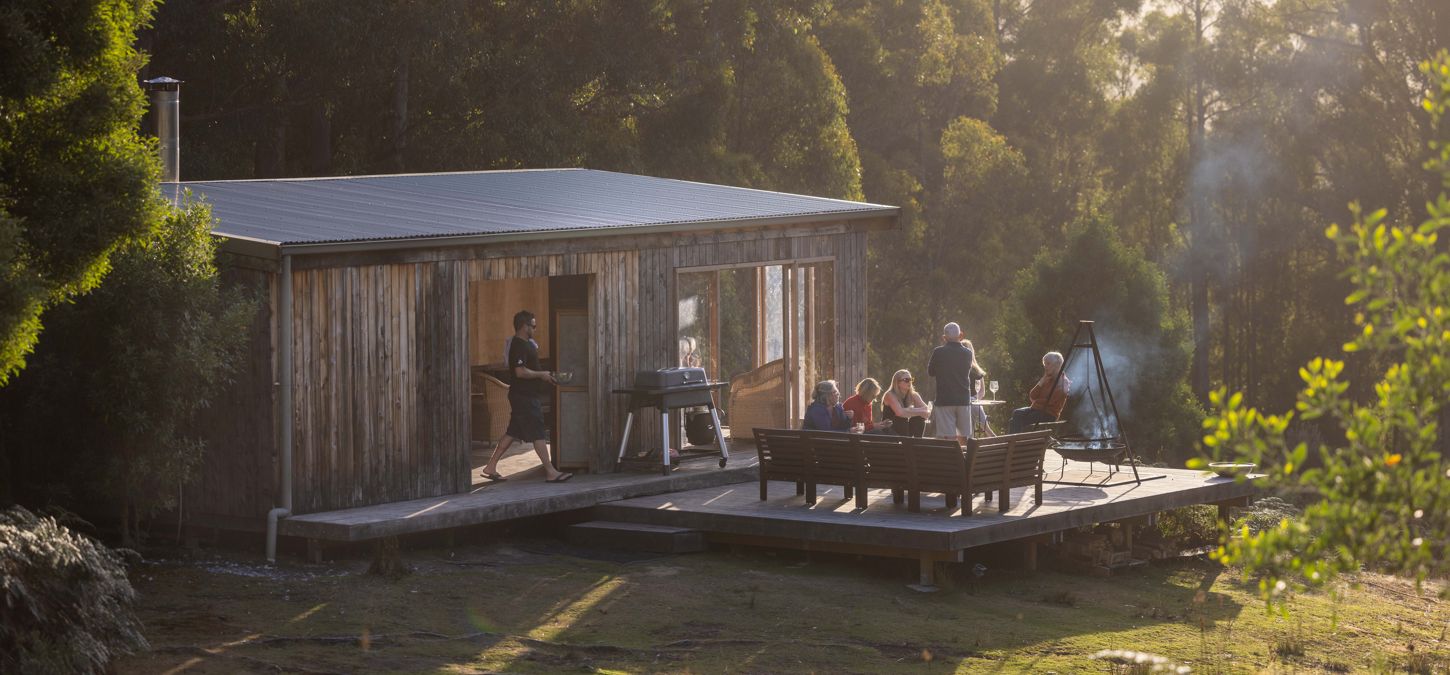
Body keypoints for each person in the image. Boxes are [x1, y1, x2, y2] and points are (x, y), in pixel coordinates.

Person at [480, 310, 572, 483]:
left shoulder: (525, 344)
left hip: (523, 395)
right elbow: (520, 372)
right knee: (538, 432)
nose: (535, 329)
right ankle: (551, 472)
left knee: (512, 431)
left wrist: (546, 377)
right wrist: (541, 374)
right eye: (533, 326)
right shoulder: (519, 345)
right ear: (524, 326)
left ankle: (490, 467)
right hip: (525, 397)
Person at [927, 322, 975, 445]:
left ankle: (950, 462)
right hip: (963, 399)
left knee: (948, 437)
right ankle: (963, 461)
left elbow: (931, 372)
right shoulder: (968, 353)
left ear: (944, 337)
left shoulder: (938, 352)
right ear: (961, 335)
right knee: (964, 435)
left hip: (945, 400)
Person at [1010, 351, 1071, 433]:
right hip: (1036, 409)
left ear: (1057, 365)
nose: (1046, 367)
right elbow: (1032, 395)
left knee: (1018, 420)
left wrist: (1036, 402)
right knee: (1017, 413)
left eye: (1048, 364)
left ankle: (1016, 443)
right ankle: (1013, 443)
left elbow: (1050, 402)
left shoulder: (1063, 382)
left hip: (1048, 413)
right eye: (1044, 364)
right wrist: (1041, 381)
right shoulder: (1047, 379)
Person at [881, 369, 931, 437]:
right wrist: (915, 410)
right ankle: (912, 443)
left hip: (903, 429)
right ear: (897, 382)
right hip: (890, 429)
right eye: (906, 380)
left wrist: (910, 411)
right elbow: (900, 413)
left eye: (911, 379)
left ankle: (918, 442)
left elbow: (927, 411)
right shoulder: (890, 395)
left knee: (919, 419)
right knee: (901, 421)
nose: (909, 382)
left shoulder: (913, 394)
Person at [963, 339, 996, 437]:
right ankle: (996, 440)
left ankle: (996, 441)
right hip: (963, 403)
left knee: (983, 425)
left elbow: (982, 391)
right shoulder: (959, 369)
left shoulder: (976, 370)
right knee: (984, 427)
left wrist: (974, 400)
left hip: (973, 401)